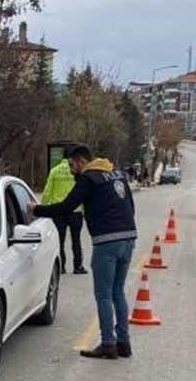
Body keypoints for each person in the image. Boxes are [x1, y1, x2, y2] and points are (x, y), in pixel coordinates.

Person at [28, 144, 137, 360]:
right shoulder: (116, 174)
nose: (70, 170)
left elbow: (67, 207)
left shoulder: (89, 178)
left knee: (103, 294)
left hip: (106, 242)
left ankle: (108, 344)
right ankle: (123, 343)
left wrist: (36, 210)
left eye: (71, 165)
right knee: (118, 292)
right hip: (128, 238)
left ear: (80, 161)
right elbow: (131, 206)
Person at [41, 156, 87, 275]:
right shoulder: (77, 171)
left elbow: (47, 191)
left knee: (60, 240)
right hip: (76, 211)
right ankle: (78, 266)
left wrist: (43, 208)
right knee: (76, 240)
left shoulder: (55, 170)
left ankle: (62, 267)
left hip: (59, 211)